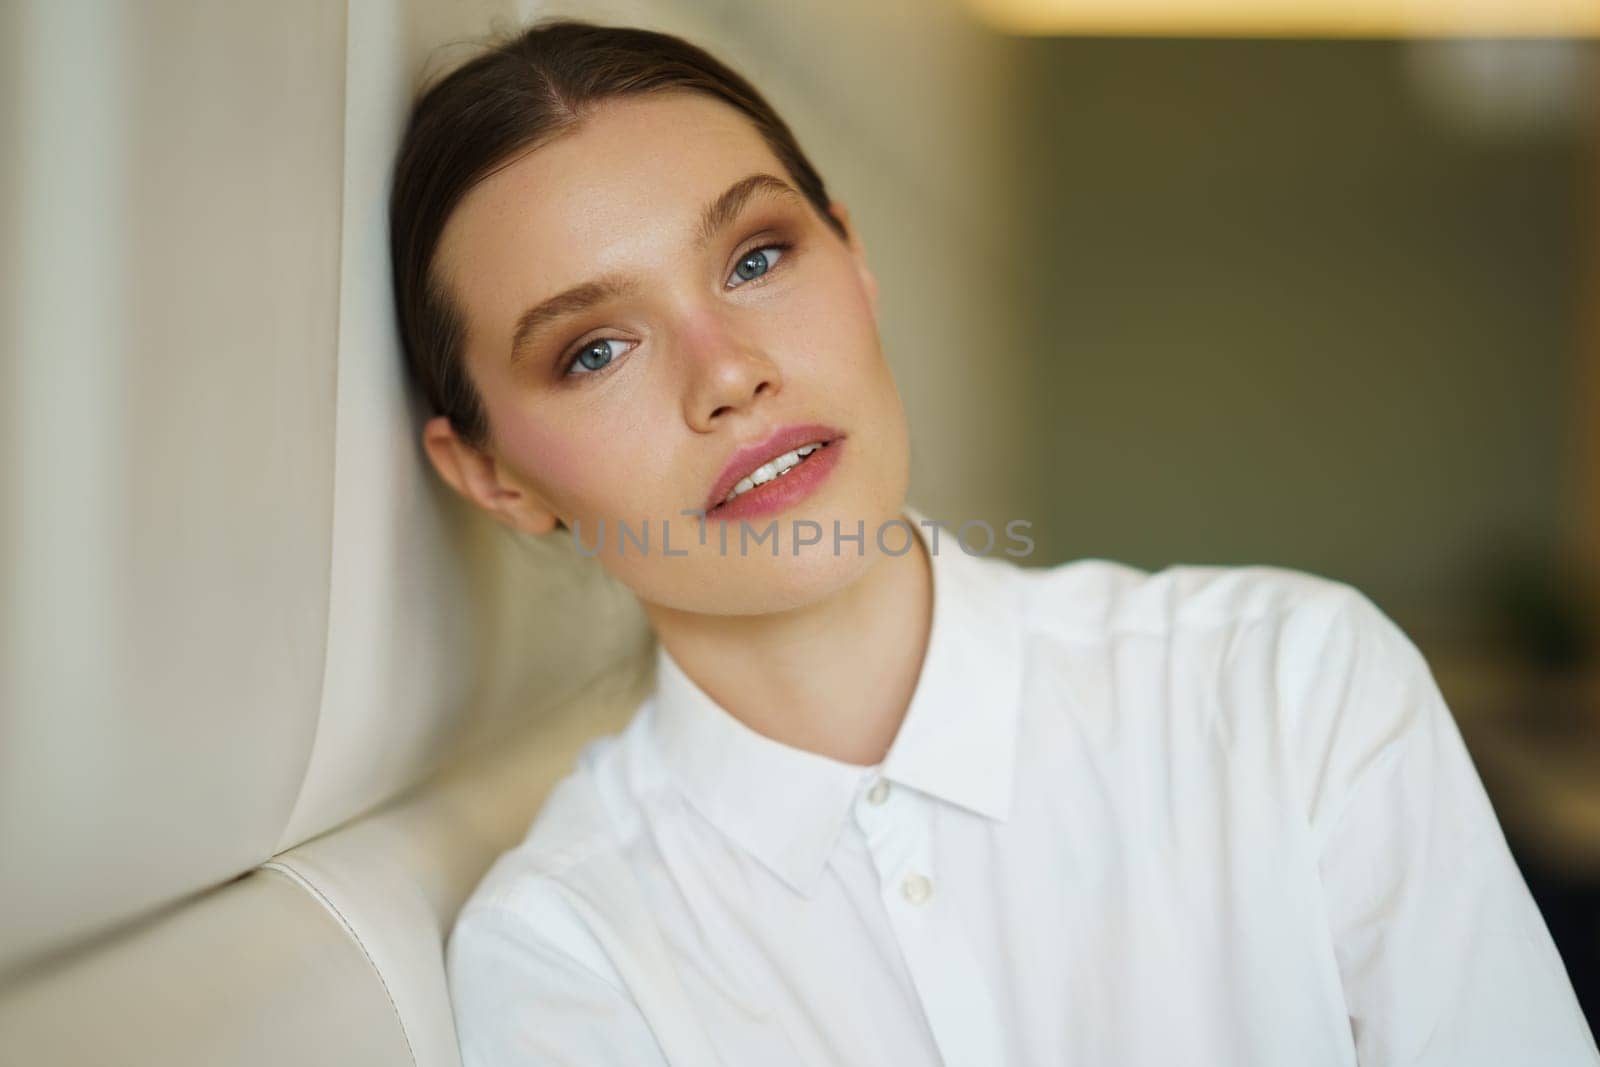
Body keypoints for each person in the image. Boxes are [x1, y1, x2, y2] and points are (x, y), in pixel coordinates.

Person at [389, 17, 1600, 1066]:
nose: (729, 374)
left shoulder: (1289, 687)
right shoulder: (568, 957)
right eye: (594, 349)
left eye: (756, 259)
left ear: (854, 258)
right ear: (491, 475)